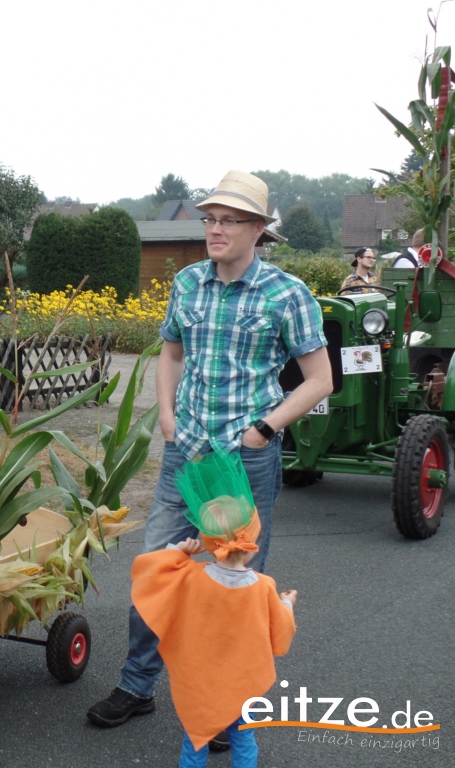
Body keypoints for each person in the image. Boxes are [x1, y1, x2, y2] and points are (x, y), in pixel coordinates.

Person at [87, 171, 332, 741]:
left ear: (258, 229)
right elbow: (171, 355)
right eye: (210, 219)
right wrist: (167, 418)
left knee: (235, 585)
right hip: (187, 455)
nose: (215, 230)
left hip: (247, 460)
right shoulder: (188, 283)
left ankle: (226, 706)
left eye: (229, 221)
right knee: (158, 568)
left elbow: (320, 379)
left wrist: (264, 430)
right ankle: (137, 685)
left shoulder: (286, 294)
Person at [131, 452, 296, 768]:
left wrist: (179, 550)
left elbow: (153, 573)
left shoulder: (191, 578)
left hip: (201, 684)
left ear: (208, 542)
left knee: (194, 742)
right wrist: (287, 602)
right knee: (243, 740)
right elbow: (281, 630)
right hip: (243, 683)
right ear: (252, 537)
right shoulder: (264, 587)